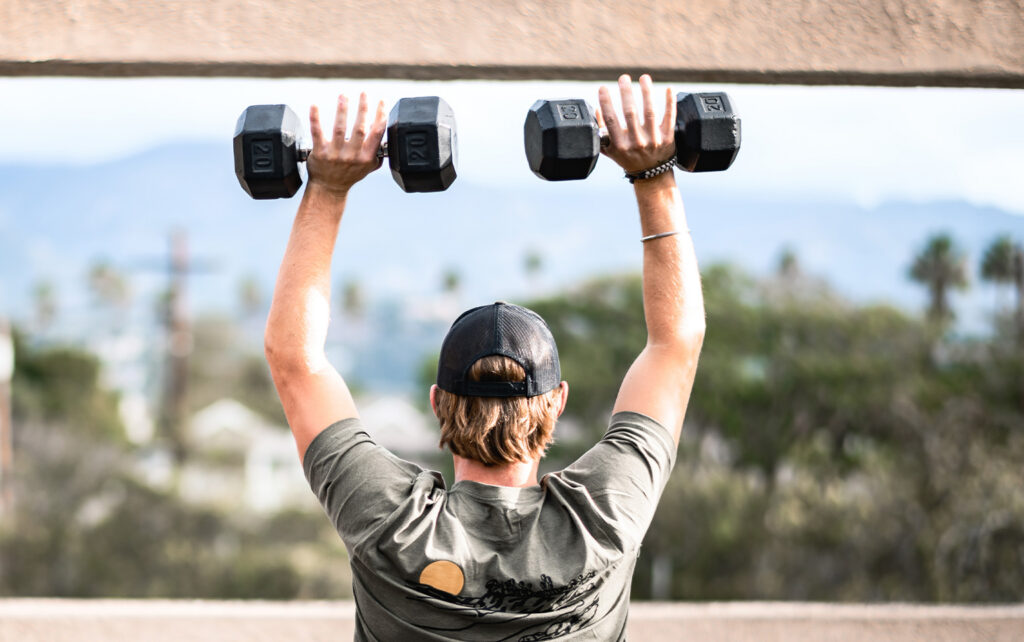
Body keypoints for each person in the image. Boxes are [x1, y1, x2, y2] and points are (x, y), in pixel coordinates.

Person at [264, 74, 705, 641]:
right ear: (558, 403)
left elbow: (294, 359)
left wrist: (326, 188)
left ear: (437, 403)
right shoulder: (602, 521)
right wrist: (654, 175)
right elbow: (676, 344)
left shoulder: (392, 525)